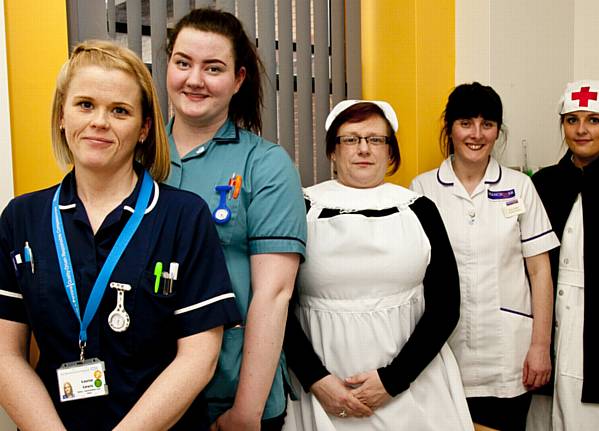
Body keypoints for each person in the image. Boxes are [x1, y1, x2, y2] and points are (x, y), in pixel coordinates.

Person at [0, 40, 240, 431]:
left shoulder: (183, 216)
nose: (99, 121)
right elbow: (5, 354)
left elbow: (199, 357)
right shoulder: (22, 219)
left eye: (120, 111)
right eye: (85, 105)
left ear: (144, 128)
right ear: (62, 115)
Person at [283, 100, 474, 431]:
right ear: (333, 150)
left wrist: (393, 380)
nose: (363, 149)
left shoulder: (420, 209)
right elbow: (276, 302)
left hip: (414, 387)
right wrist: (316, 379)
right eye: (351, 139)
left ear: (390, 152)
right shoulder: (299, 207)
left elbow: (446, 306)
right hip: (321, 390)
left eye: (375, 139)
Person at [164, 8, 307, 431]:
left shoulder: (264, 164)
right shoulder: (138, 159)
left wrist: (246, 412)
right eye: (183, 63)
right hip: (144, 390)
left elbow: (274, 293)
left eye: (214, 68)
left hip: (231, 391)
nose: (195, 79)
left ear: (238, 79)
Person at [410, 82, 559, 431]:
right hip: (443, 352)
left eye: (487, 124)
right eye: (466, 123)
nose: (476, 134)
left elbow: (540, 272)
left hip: (509, 354)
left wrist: (541, 346)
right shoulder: (422, 189)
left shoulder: (520, 186)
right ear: (449, 128)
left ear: (498, 131)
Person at [528, 80, 599, 431]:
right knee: (545, 415)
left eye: (594, 120)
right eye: (572, 119)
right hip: (548, 316)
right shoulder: (543, 183)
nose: (580, 130)